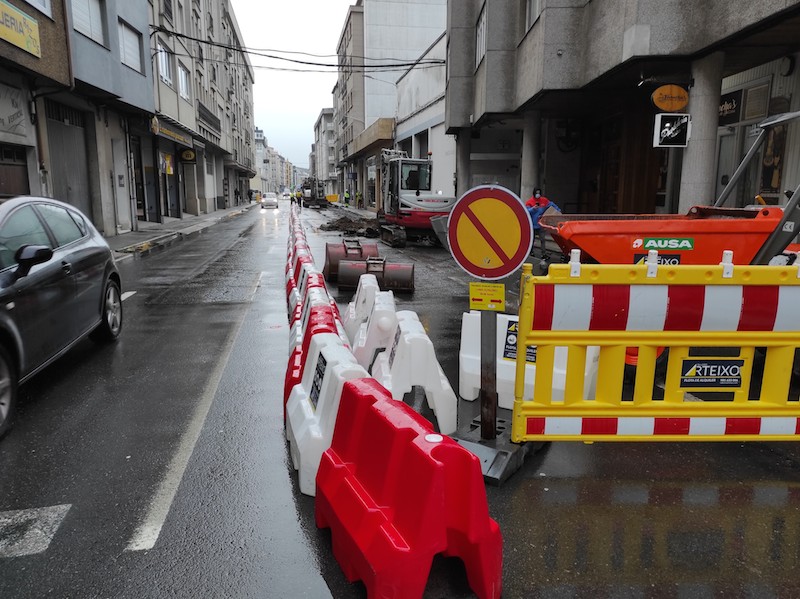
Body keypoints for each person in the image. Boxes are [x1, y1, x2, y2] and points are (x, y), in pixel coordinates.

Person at [525, 188, 559, 258]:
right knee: (531, 240)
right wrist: (533, 209)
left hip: (541, 224)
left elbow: (552, 204)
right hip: (532, 225)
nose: (538, 194)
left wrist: (558, 210)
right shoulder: (529, 202)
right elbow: (526, 211)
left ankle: (543, 253)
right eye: (536, 193)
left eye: (539, 193)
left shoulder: (544, 200)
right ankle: (531, 252)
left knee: (542, 239)